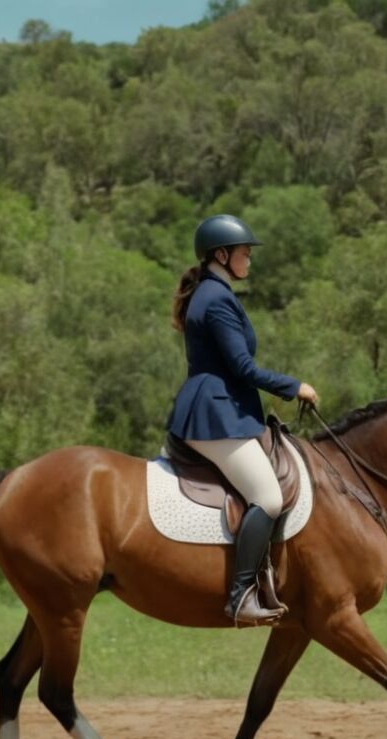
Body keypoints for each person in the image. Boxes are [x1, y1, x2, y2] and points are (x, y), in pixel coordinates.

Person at [167, 214, 319, 625]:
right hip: (213, 414)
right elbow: (242, 368)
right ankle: (241, 596)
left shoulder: (214, 294)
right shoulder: (215, 300)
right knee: (268, 498)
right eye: (244, 253)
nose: (249, 260)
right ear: (221, 254)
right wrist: (293, 386)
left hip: (223, 409)